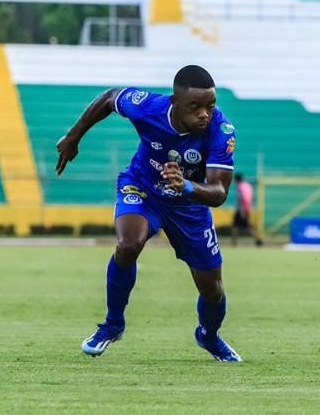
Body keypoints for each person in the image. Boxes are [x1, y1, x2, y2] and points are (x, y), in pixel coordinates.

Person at [56, 65, 242, 362]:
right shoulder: (148, 107)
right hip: (143, 187)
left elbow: (219, 193)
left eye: (210, 106)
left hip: (189, 206)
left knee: (212, 290)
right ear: (174, 102)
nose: (204, 114)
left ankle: (208, 336)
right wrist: (73, 137)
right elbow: (109, 98)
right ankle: (112, 324)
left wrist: (186, 186)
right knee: (128, 244)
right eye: (195, 107)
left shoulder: (221, 131)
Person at [231, 173, 262, 247]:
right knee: (243, 226)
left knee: (238, 227)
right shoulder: (247, 186)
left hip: (241, 210)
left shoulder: (239, 187)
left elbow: (241, 200)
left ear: (236, 179)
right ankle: (257, 240)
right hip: (247, 208)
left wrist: (242, 211)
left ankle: (234, 243)